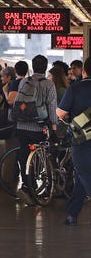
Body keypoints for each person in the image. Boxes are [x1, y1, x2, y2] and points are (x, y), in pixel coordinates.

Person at [15, 55, 58, 206]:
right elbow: (52, 106)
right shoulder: (48, 85)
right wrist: (54, 125)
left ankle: (27, 186)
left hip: (21, 126)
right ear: (45, 68)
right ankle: (38, 187)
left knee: (24, 155)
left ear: (32, 67)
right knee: (41, 157)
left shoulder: (23, 82)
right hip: (38, 127)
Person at [57, 57, 91, 226]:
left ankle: (72, 214)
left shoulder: (75, 88)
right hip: (82, 142)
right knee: (81, 175)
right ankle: (72, 213)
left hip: (81, 140)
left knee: (84, 173)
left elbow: (61, 113)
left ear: (84, 70)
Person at [48, 65, 69, 139]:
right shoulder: (57, 90)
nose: (48, 78)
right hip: (58, 124)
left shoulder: (61, 91)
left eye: (49, 76)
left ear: (55, 77)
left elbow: (65, 110)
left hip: (61, 126)